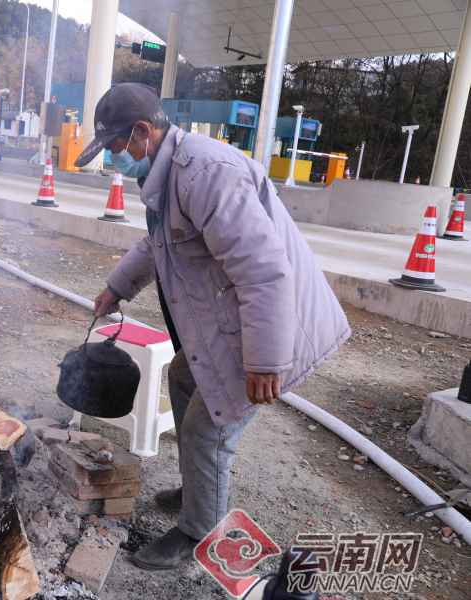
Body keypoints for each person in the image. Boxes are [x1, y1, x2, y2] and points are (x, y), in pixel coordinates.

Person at [76, 84, 351, 570]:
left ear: (141, 132)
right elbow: (156, 244)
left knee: (208, 427)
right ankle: (198, 489)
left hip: (278, 324)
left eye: (116, 147)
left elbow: (263, 270)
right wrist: (117, 287)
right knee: (183, 376)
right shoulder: (166, 173)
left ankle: (197, 532)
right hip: (239, 319)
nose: (115, 159)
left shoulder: (205, 173)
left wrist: (266, 360)